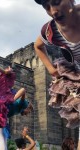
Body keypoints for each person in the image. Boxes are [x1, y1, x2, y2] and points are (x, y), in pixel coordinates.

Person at [34, 0, 80, 148]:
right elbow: (38, 46)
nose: (53, 11)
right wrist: (51, 69)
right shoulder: (49, 31)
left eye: (56, 2)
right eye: (46, 7)